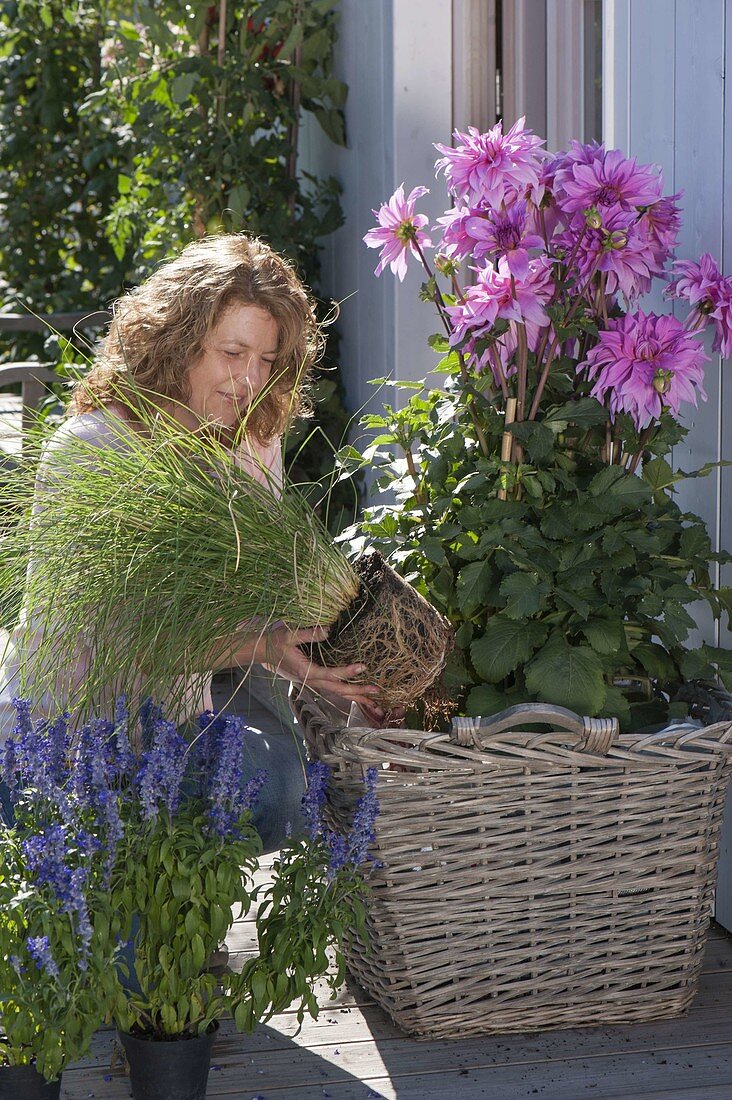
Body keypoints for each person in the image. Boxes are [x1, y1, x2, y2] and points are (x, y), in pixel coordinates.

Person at [0, 233, 384, 848]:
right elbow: (119, 644)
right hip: (63, 738)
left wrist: (336, 636)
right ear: (176, 344)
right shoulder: (94, 448)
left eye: (267, 361)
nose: (249, 379)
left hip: (172, 724)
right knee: (109, 912)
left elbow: (256, 596)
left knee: (278, 786)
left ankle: (183, 926)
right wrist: (265, 647)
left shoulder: (252, 440)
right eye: (233, 352)